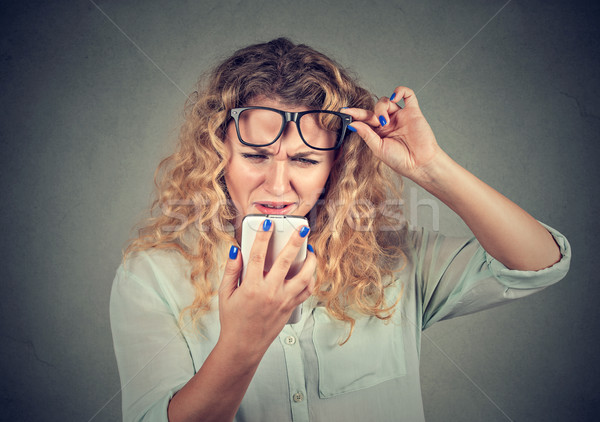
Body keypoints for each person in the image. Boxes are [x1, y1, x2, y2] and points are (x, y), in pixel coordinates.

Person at [109, 38, 571, 422]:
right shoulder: (154, 275)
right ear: (218, 152)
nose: (276, 184)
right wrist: (242, 343)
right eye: (255, 156)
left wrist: (432, 168)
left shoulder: (393, 258)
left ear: (335, 166)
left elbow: (539, 265)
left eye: (305, 161)